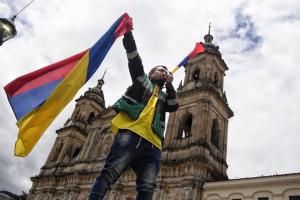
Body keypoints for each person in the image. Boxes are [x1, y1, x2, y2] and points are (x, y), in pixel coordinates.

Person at [88, 30, 179, 200]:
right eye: (161, 70)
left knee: (147, 188)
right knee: (109, 174)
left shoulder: (164, 96)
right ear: (151, 73)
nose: (164, 72)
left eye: (166, 71)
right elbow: (133, 57)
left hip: (153, 145)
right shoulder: (141, 80)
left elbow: (174, 106)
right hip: (130, 135)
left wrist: (170, 85)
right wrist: (127, 33)